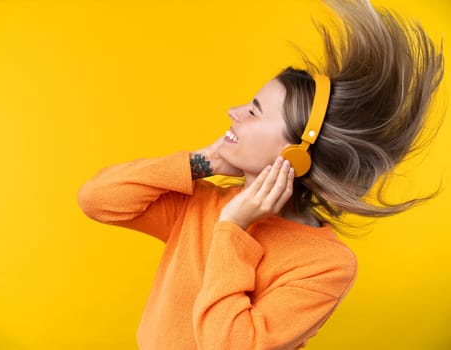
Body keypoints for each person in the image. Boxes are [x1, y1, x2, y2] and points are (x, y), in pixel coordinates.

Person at [77, 0, 444, 348]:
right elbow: (98, 200)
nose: (233, 111)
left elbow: (228, 345)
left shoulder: (326, 264)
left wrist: (233, 229)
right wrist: (201, 162)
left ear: (296, 155)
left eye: (254, 112)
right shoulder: (200, 204)